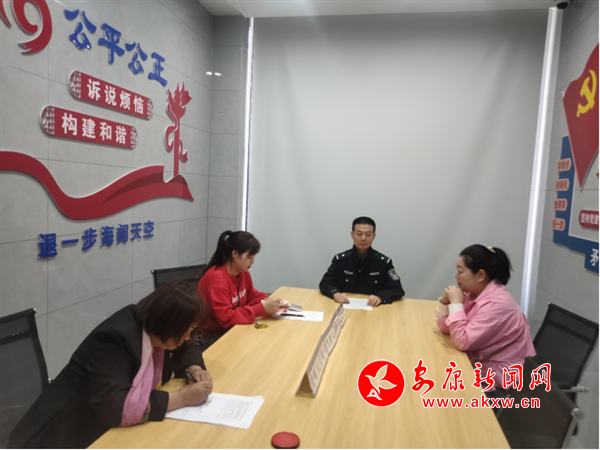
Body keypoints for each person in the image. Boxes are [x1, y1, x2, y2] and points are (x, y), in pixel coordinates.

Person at [9, 281, 212, 449]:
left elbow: (189, 346)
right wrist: (182, 398)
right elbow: (116, 409)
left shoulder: (155, 328)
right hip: (61, 436)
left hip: (100, 429)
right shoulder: (116, 339)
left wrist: (194, 367)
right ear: (170, 322)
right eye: (187, 330)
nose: (188, 337)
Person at [435, 244, 535, 393]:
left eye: (460, 271)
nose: (456, 276)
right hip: (477, 364)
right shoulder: (473, 293)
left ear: (481, 275)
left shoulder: (497, 305)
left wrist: (456, 304)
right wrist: (445, 302)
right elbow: (446, 328)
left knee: (433, 382)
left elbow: (462, 341)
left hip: (497, 381)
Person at [198, 231, 287, 343]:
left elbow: (251, 296)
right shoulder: (216, 280)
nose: (253, 262)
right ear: (235, 253)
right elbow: (226, 318)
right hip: (212, 337)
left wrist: (267, 301)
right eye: (249, 257)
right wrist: (262, 308)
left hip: (233, 330)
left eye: (253, 257)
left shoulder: (242, 272)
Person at [319, 216, 405, 306]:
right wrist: (335, 293)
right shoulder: (340, 260)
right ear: (352, 235)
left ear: (374, 236)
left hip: (374, 308)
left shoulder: (383, 263)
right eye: (359, 234)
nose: (363, 238)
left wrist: (380, 297)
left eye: (368, 234)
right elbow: (325, 283)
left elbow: (397, 289)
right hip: (345, 306)